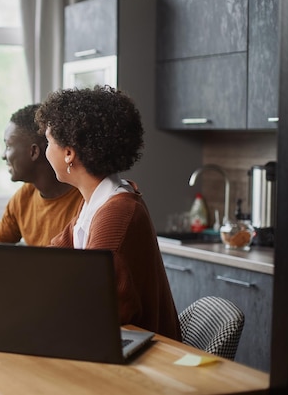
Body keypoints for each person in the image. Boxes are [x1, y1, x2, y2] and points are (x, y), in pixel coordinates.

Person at [35, 85, 181, 341]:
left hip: (144, 363)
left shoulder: (116, 213)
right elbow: (53, 261)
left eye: (48, 142)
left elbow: (100, 308)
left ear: (69, 153)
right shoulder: (98, 201)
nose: (46, 151)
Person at [0, 104, 83, 247]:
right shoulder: (23, 198)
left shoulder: (84, 199)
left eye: (9, 146)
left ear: (34, 152)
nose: (3, 156)